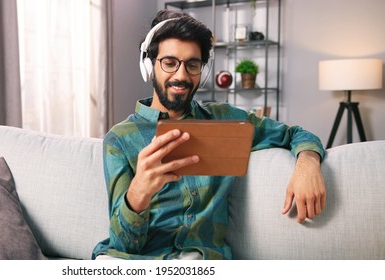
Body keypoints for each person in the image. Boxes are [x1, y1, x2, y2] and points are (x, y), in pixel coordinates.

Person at [92, 9, 326, 260]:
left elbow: (295, 134)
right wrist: (138, 193)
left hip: (200, 260)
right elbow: (122, 245)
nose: (181, 76)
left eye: (192, 65)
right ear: (149, 66)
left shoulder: (226, 119)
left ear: (202, 71)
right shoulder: (119, 140)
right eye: (169, 63)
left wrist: (307, 165)